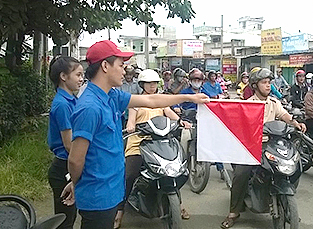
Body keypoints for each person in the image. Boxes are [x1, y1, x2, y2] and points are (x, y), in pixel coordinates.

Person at [61, 40, 208, 229]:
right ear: (105, 66)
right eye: (121, 66)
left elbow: (151, 100)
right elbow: (75, 159)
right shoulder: (89, 107)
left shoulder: (111, 96)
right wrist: (75, 183)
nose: (124, 71)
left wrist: (189, 97)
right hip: (98, 197)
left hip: (111, 191)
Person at [220, 68, 306, 229]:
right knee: (241, 173)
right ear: (255, 85)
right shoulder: (248, 105)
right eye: (264, 83)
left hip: (272, 144)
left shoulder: (274, 102)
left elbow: (284, 116)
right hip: (253, 146)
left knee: (293, 165)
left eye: (269, 82)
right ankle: (233, 212)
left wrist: (296, 123)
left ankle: (287, 202)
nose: (268, 86)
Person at [114, 69, 192, 228]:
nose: (152, 86)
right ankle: (119, 212)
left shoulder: (160, 100)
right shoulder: (136, 101)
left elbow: (170, 113)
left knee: (174, 170)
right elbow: (131, 120)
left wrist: (181, 121)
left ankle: (179, 204)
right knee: (130, 175)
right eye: (149, 83)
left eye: (155, 83)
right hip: (139, 142)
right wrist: (130, 126)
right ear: (142, 84)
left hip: (160, 142)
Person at [47, 56, 84, 229]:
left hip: (67, 165)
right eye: (77, 74)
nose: (81, 79)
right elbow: (69, 144)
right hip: (64, 167)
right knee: (64, 221)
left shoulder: (71, 100)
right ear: (63, 76)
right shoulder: (62, 104)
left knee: (69, 218)